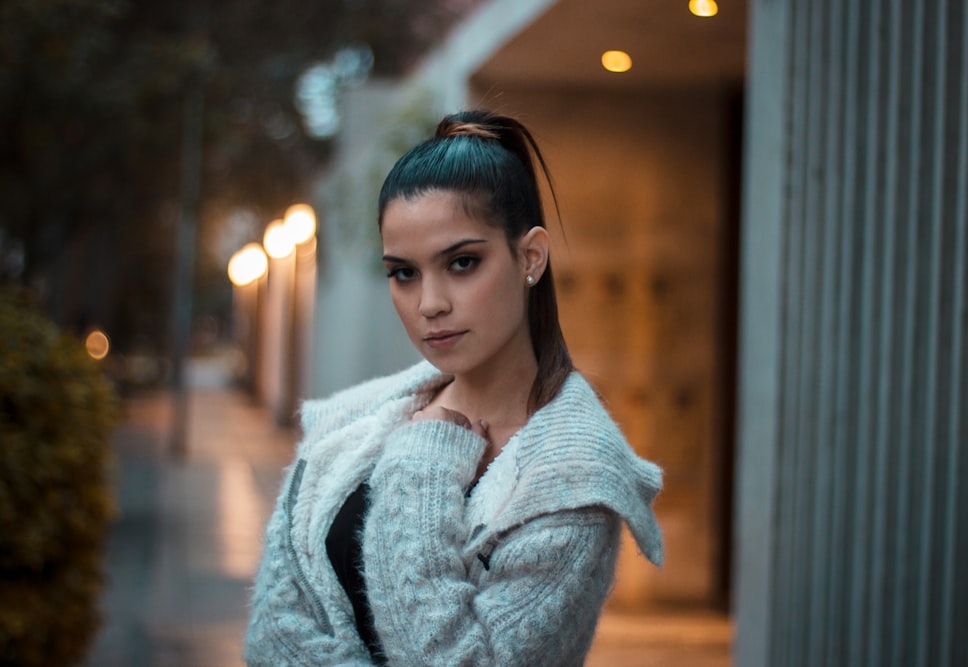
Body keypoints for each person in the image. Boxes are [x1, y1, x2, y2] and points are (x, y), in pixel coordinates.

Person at [243, 109, 663, 666]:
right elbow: (272, 637)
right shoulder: (355, 422)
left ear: (530, 257)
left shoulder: (572, 482)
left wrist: (422, 465)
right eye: (404, 273)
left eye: (462, 263)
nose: (430, 303)